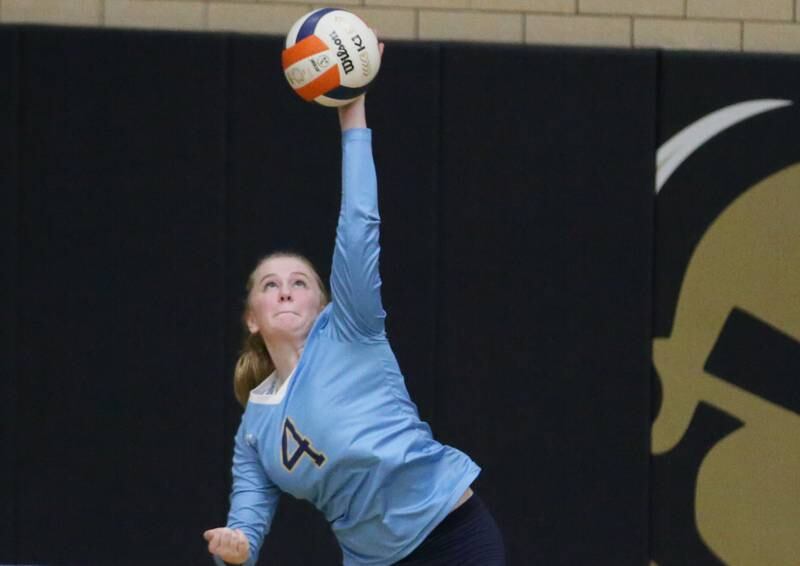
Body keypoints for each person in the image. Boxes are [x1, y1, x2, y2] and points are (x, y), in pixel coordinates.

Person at [203, 89, 505, 565]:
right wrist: (234, 549)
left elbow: (358, 223)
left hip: (451, 535)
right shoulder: (255, 432)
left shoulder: (351, 329)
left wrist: (352, 114)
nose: (284, 291)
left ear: (323, 303)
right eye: (270, 285)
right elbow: (244, 532)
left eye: (299, 282)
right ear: (252, 318)